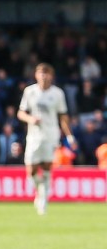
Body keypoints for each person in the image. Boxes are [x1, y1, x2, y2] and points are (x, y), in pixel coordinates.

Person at [17, 63, 76, 215]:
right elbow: (20, 113)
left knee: (47, 165)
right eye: (40, 73)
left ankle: (45, 197)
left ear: (51, 76)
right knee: (31, 169)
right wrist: (31, 119)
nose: (43, 76)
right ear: (36, 75)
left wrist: (69, 136)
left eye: (46, 73)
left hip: (51, 134)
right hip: (34, 135)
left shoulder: (57, 94)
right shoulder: (29, 91)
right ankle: (39, 190)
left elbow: (63, 116)